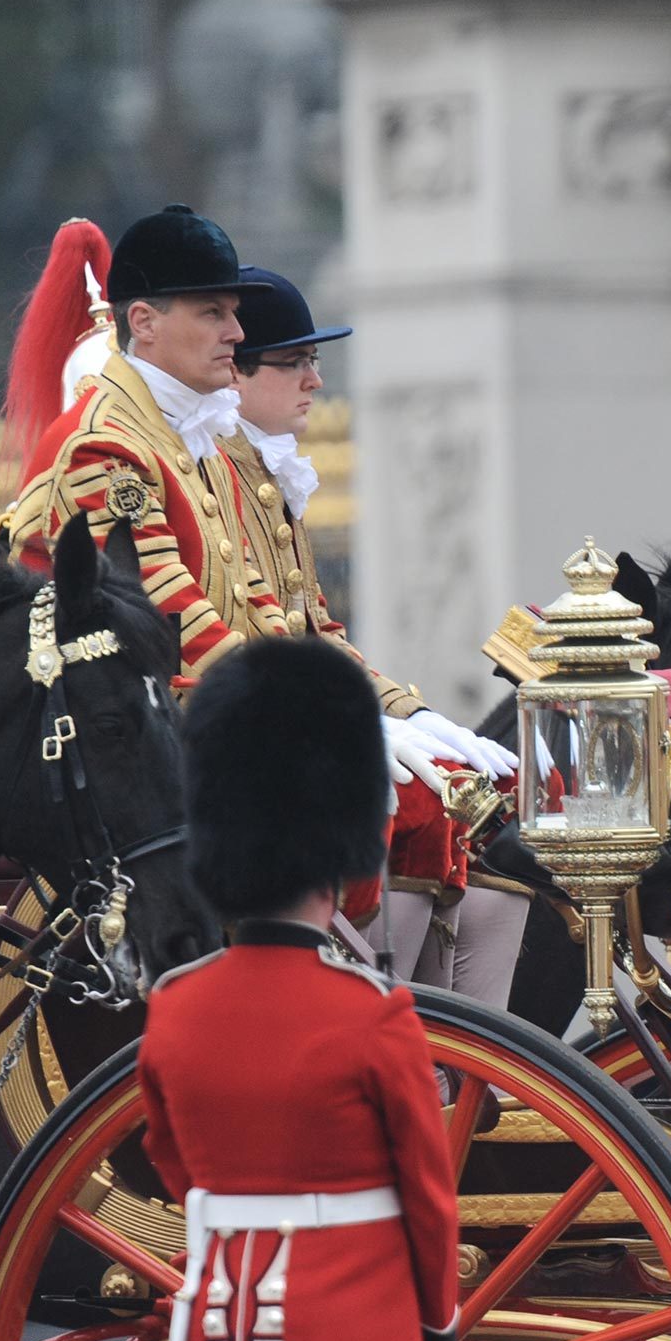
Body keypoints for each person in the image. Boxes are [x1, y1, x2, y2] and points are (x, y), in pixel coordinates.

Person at [140, 638, 458, 1341]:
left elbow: (173, 1160)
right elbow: (428, 1198)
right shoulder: (374, 1013)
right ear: (336, 869)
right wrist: (438, 1323)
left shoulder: (174, 1009)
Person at [221, 265, 525, 998]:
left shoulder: (267, 477)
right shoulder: (214, 478)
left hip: (289, 711)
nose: (314, 381)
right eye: (294, 362)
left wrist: (411, 713)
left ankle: (467, 1049)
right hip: (244, 730)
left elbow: (318, 633)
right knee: (417, 808)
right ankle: (385, 1028)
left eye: (313, 361)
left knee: (504, 800)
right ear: (235, 376)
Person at [9, 205, 284, 684]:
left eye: (233, 314)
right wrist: (295, 704)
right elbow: (167, 614)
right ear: (144, 322)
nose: (237, 334)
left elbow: (254, 595)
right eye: (212, 313)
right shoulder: (101, 444)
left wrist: (318, 686)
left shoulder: (197, 433)